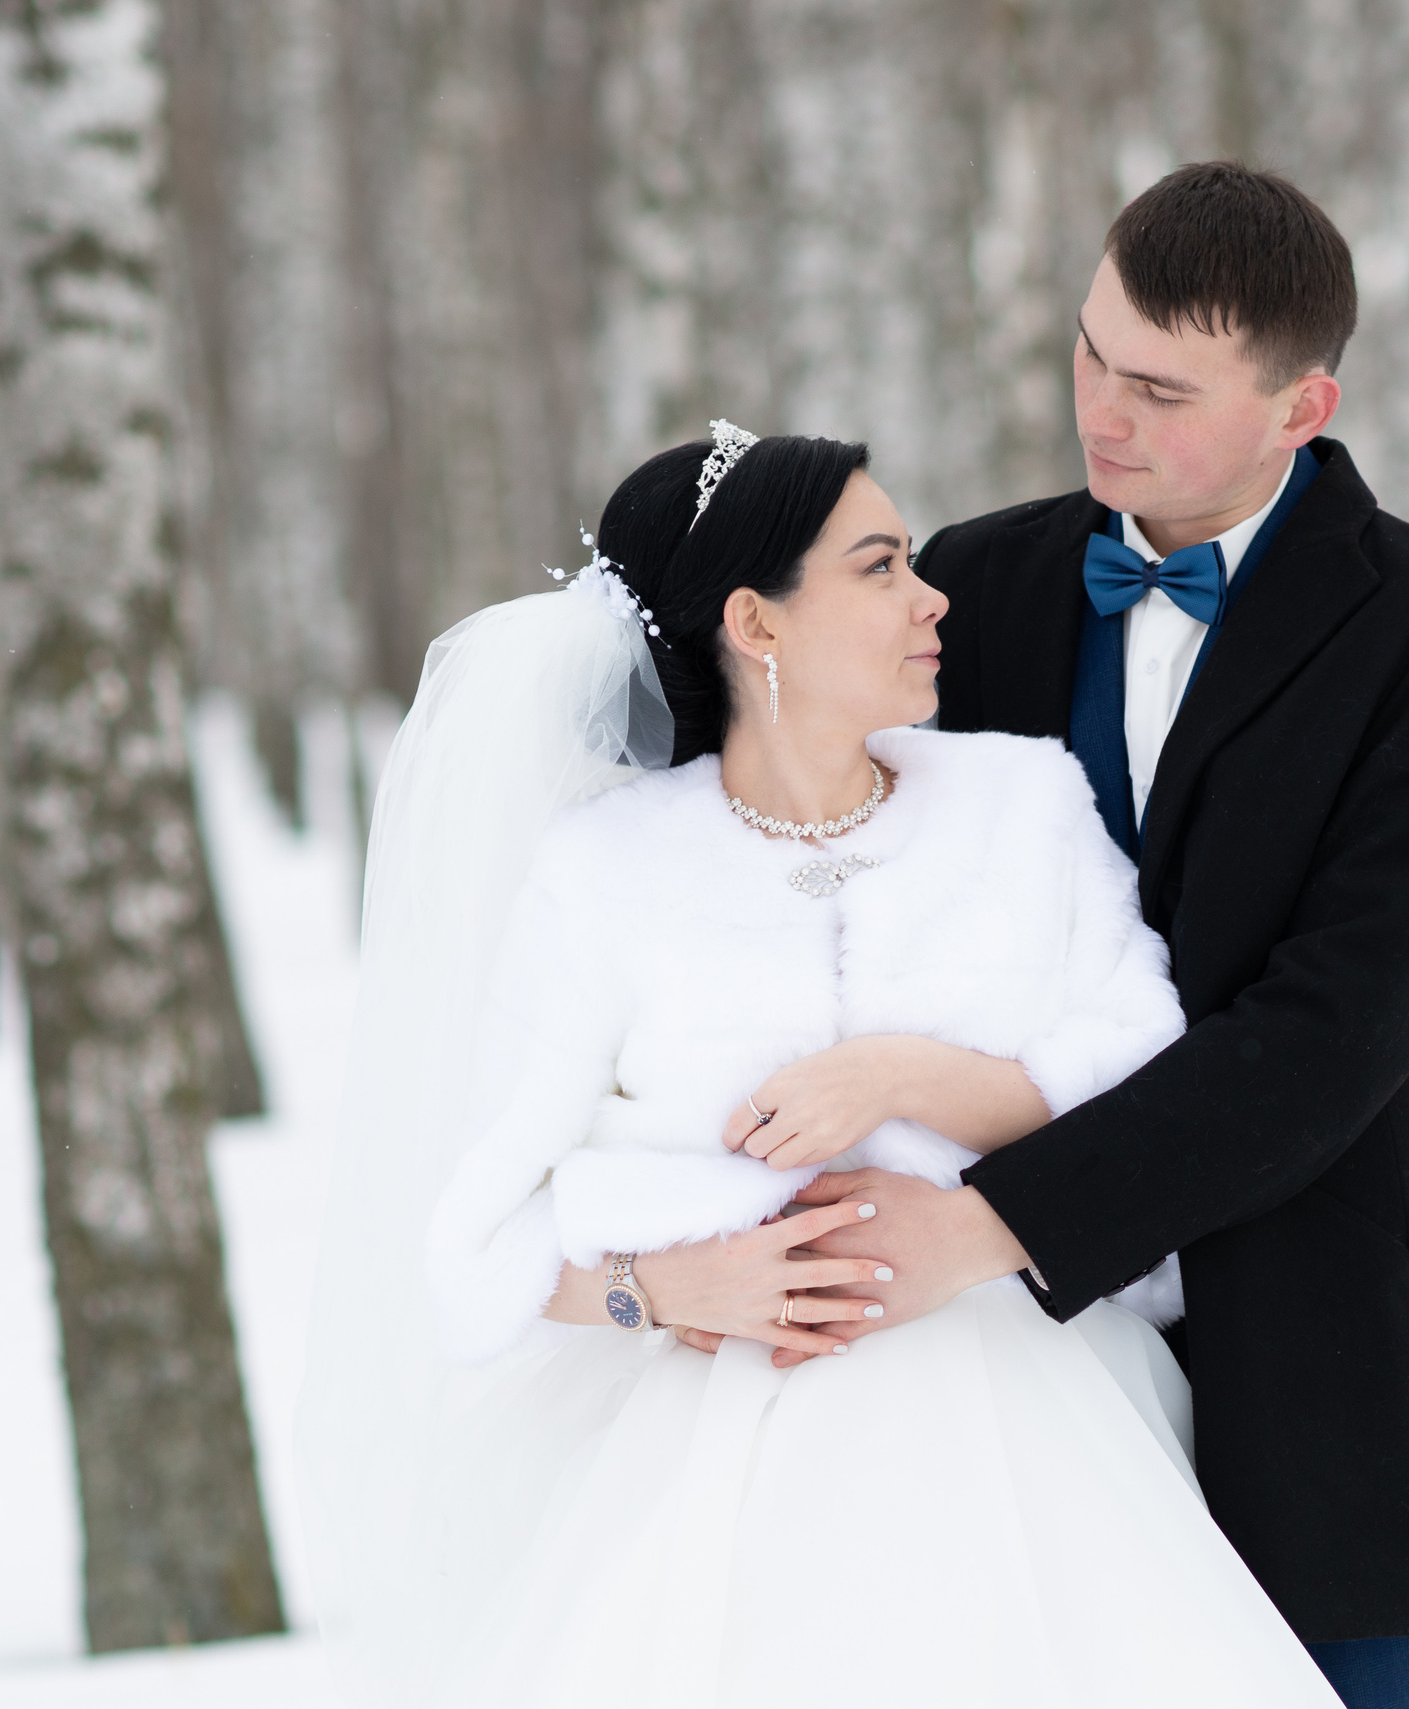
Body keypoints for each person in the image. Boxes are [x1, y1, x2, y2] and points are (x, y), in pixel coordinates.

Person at [298, 424, 1345, 1706]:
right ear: (757, 621)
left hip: (1024, 1429)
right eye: (880, 566)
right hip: (714, 1469)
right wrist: (671, 1285)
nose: (931, 595)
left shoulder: (1022, 804)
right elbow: (473, 1241)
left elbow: (1139, 1079)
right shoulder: (607, 875)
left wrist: (900, 1074)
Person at [772, 163, 1409, 1709]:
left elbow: (1335, 1029)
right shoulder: (969, 586)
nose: (1100, 413)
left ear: (1301, 407)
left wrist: (999, 1222)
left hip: (1312, 1340)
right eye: (1088, 351)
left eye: (1159, 388)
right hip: (1000, 1374)